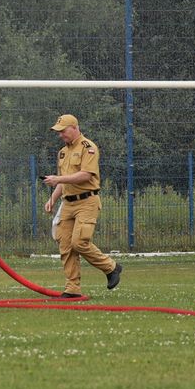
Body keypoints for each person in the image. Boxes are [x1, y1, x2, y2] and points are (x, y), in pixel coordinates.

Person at [42, 113, 121, 297]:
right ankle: (72, 289)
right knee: (66, 245)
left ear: (75, 128)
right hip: (68, 203)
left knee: (80, 242)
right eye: (58, 132)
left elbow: (86, 174)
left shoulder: (88, 147)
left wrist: (58, 179)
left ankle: (111, 267)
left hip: (87, 201)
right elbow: (63, 182)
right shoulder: (62, 152)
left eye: (63, 131)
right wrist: (52, 199)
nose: (61, 135)